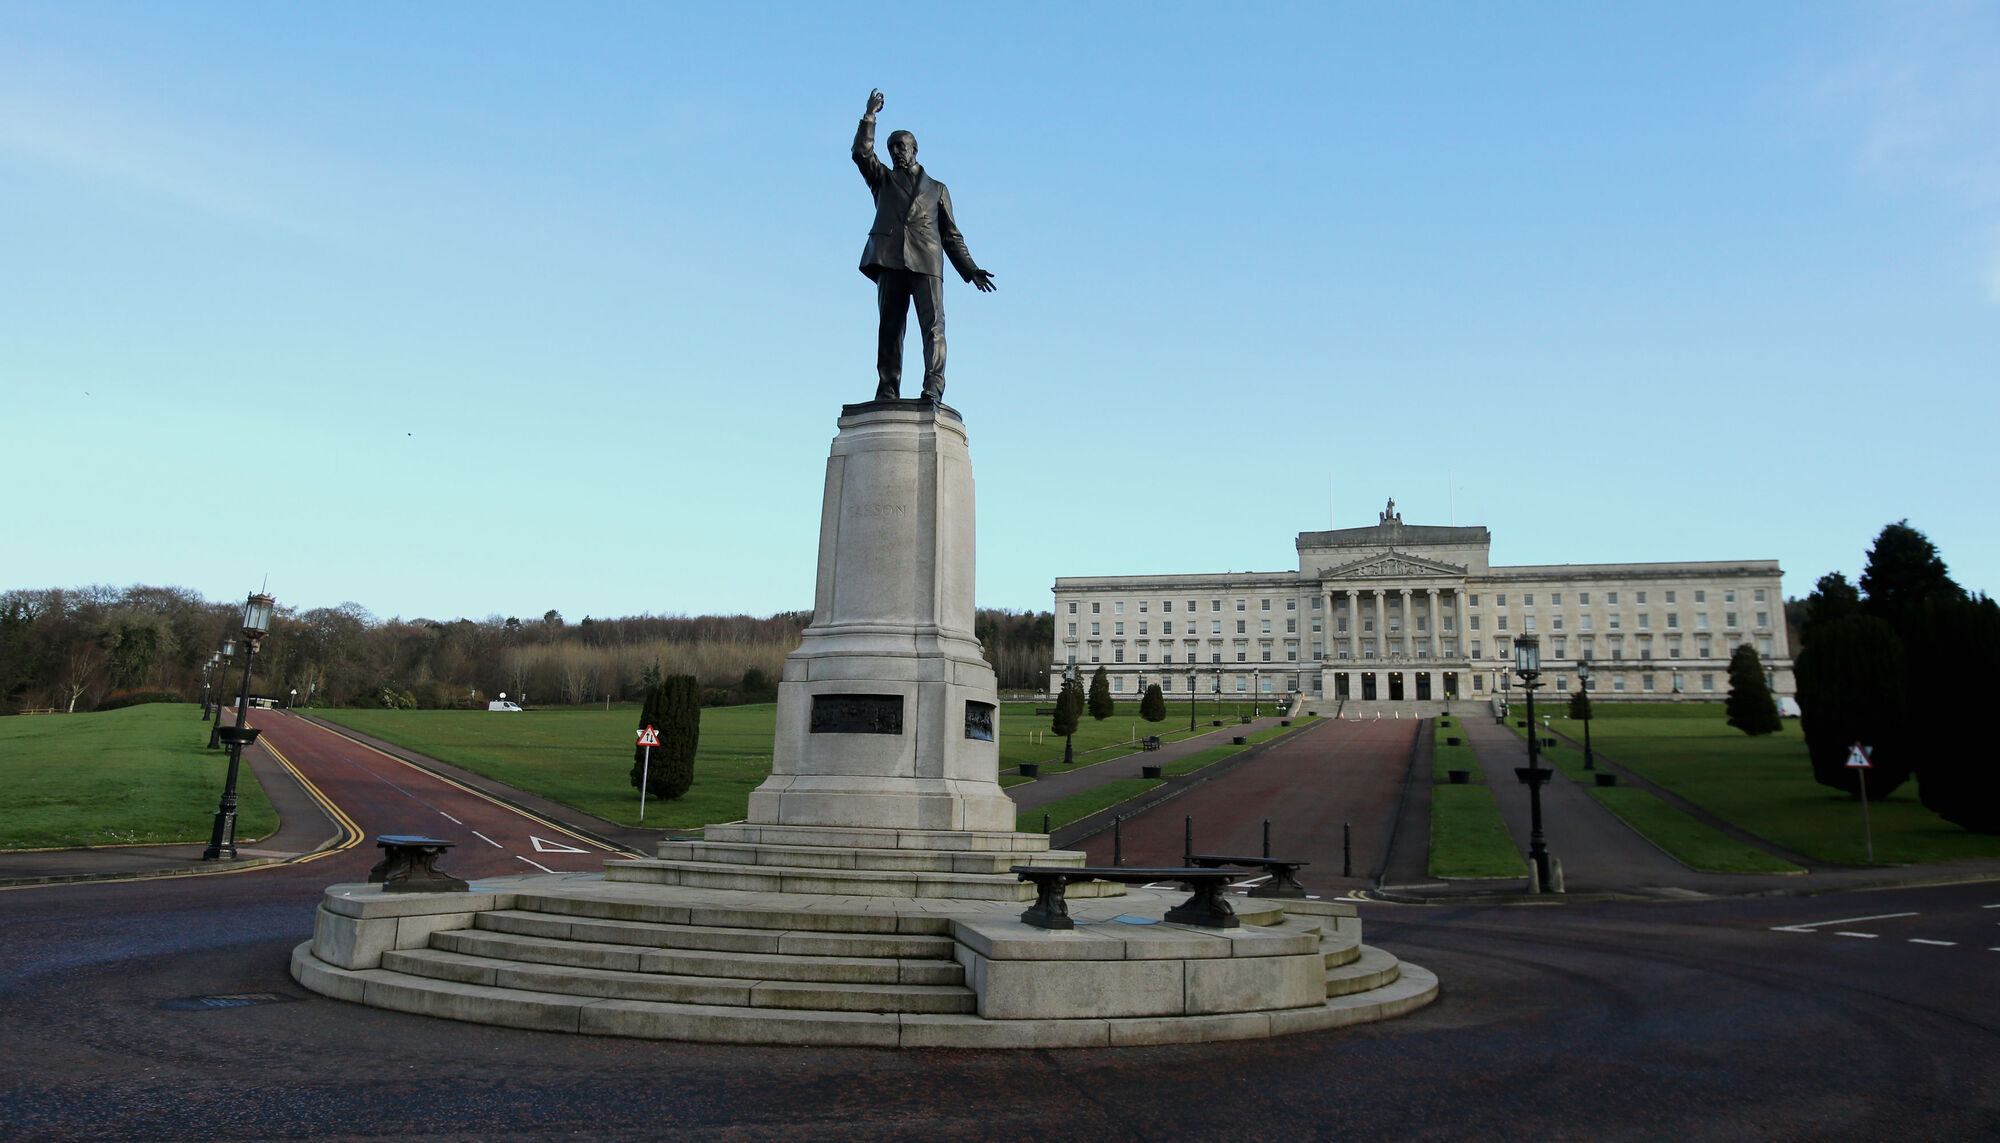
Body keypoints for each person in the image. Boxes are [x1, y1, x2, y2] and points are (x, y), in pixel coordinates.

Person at [853, 88, 996, 402]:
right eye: (891, 148)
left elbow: (951, 235)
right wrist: (869, 118)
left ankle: (933, 386)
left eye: (901, 146)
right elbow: (862, 154)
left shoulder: (937, 189)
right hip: (890, 259)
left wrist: (970, 269)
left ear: (915, 149)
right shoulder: (882, 179)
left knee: (933, 327)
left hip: (927, 262)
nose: (896, 152)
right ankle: (887, 389)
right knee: (890, 328)